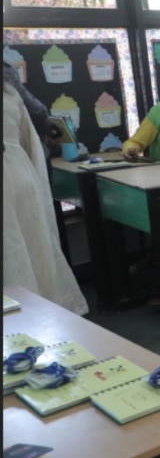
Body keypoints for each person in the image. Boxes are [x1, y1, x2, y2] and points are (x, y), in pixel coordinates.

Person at [3, 81, 88, 315]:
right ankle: (37, 315)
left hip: (15, 175)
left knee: (14, 250)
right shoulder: (9, 90)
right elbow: (33, 130)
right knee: (30, 248)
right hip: (19, 173)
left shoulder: (9, 90)